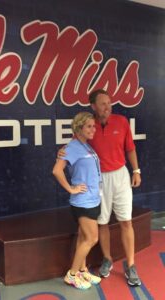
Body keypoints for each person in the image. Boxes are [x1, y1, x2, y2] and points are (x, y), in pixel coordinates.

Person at [58, 89, 142, 286]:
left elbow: (130, 148)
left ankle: (130, 265)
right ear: (93, 106)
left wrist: (136, 170)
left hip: (120, 175)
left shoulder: (121, 121)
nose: (107, 107)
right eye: (103, 103)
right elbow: (75, 144)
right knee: (102, 223)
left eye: (109, 103)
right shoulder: (89, 124)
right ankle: (107, 259)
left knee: (126, 221)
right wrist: (63, 152)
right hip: (98, 180)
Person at [52, 111, 102, 290]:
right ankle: (72, 275)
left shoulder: (86, 146)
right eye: (89, 126)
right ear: (79, 128)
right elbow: (57, 171)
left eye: (94, 126)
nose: (93, 129)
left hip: (93, 199)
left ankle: (82, 270)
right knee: (92, 238)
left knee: (83, 237)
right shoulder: (72, 147)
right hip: (83, 202)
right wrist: (71, 188)